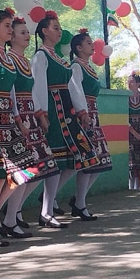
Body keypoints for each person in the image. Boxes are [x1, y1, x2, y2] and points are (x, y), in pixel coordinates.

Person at [0, 9, 56, 246]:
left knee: (23, 170)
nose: (9, 30)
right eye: (6, 26)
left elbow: (12, 92)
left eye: (10, 26)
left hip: (8, 118)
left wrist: (18, 119)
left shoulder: (6, 58)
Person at [30, 12, 98, 228]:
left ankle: (47, 209)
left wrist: (81, 111)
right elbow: (38, 85)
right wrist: (41, 113)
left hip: (65, 112)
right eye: (55, 28)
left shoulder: (59, 58)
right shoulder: (41, 56)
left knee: (69, 160)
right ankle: (45, 211)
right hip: (52, 110)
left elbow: (72, 87)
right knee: (54, 162)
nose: (59, 31)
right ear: (44, 31)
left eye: (59, 28)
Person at [1, 14, 58, 235]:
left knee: (42, 167)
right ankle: (9, 217)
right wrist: (18, 119)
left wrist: (39, 114)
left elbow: (33, 91)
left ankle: (14, 212)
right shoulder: (9, 59)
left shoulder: (24, 60)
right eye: (22, 32)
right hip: (17, 117)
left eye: (27, 32)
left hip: (30, 116)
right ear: (11, 37)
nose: (27, 35)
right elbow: (11, 92)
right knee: (24, 170)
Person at [68, 30, 113, 218]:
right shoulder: (76, 67)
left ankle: (79, 200)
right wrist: (82, 113)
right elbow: (75, 91)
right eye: (87, 43)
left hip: (93, 114)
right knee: (89, 160)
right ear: (78, 48)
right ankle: (79, 203)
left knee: (100, 160)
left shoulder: (89, 67)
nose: (92, 45)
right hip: (83, 116)